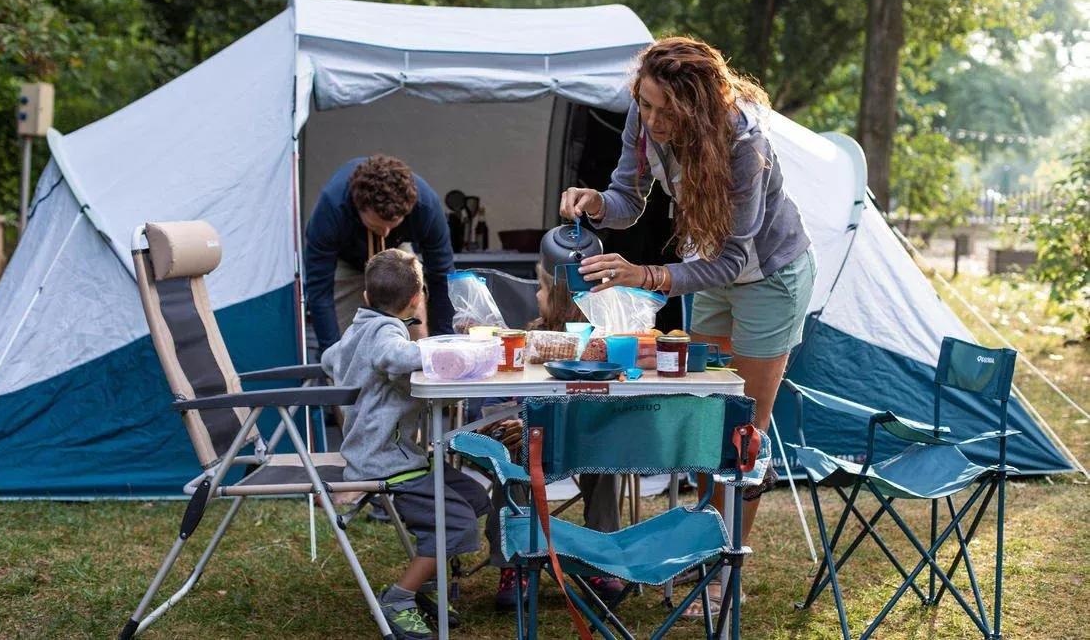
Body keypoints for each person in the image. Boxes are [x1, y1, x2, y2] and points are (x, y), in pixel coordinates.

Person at [560, 36, 816, 612]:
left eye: (662, 111)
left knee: (741, 429)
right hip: (712, 270)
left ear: (695, 106)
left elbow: (734, 257)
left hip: (768, 276)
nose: (649, 120)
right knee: (706, 416)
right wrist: (595, 203)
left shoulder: (743, 142)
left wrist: (643, 274)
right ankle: (704, 555)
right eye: (643, 105)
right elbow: (628, 198)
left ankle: (727, 576)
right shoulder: (644, 115)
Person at [322, 249, 489, 640]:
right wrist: (450, 351)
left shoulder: (359, 325)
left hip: (395, 453)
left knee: (473, 497)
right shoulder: (385, 333)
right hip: (385, 463)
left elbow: (331, 359)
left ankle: (430, 582)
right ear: (417, 299)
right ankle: (400, 597)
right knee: (457, 523)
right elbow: (393, 357)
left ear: (366, 296)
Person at [482, 262, 625, 609]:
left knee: (604, 458)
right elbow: (511, 394)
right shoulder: (531, 337)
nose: (535, 294)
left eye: (543, 289)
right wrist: (515, 419)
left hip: (583, 438)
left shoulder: (601, 342)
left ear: (562, 299)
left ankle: (598, 558)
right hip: (534, 439)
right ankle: (514, 564)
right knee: (511, 456)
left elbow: (608, 403)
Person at [305, 155, 454, 356]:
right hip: (345, 257)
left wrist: (444, 344)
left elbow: (442, 276)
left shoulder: (426, 206)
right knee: (344, 343)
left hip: (398, 248)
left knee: (413, 297)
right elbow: (319, 291)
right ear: (358, 207)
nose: (384, 233)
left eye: (392, 225)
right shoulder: (331, 209)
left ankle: (420, 367)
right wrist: (332, 355)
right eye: (376, 226)